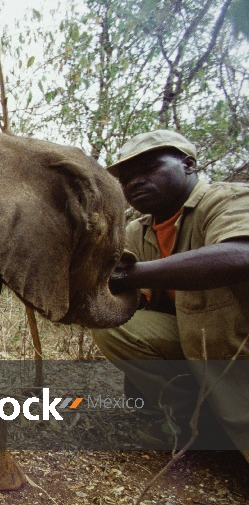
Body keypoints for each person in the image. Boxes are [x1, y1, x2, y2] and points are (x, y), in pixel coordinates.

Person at [92, 130, 249, 461]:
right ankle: (199, 427)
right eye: (127, 178)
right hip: (198, 345)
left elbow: (240, 255)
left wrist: (132, 275)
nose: (134, 183)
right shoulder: (137, 230)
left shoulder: (228, 199)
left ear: (189, 164)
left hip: (237, 348)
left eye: (148, 169)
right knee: (117, 325)